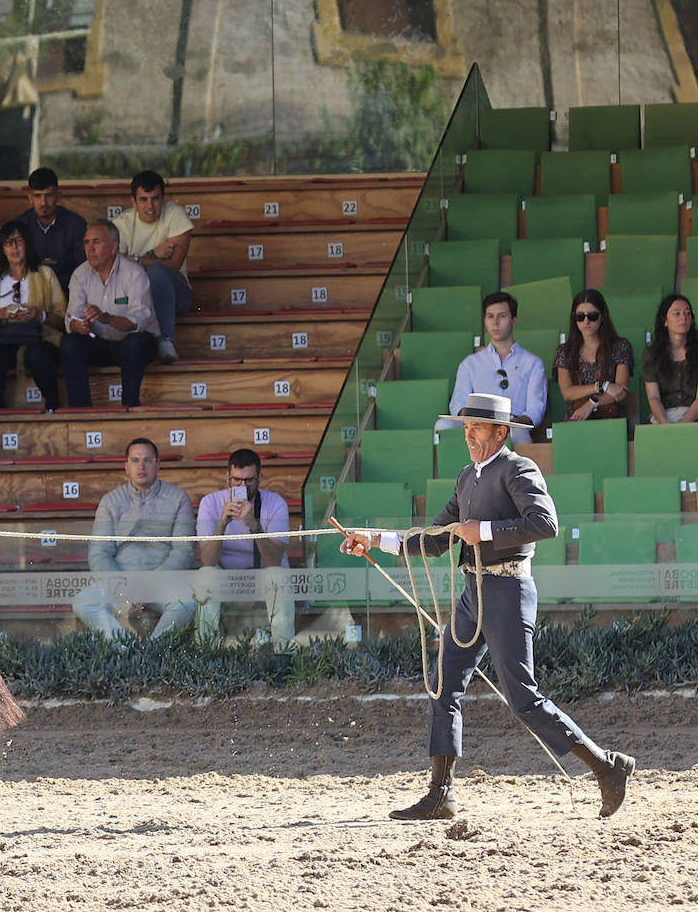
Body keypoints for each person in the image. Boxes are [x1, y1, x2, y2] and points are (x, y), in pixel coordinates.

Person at [338, 392, 635, 820]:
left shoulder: (519, 468)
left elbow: (546, 523)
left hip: (508, 592)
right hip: (473, 594)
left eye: (475, 428)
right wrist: (374, 539)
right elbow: (435, 538)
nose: (468, 435)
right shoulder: (466, 477)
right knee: (443, 686)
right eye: (465, 428)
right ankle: (441, 794)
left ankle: (606, 767)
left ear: (500, 432)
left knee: (524, 699)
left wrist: (487, 531)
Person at [73, 438, 197, 640]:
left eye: (147, 460)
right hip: (119, 583)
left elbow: (184, 551)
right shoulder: (110, 501)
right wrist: (123, 586)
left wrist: (149, 585)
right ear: (126, 466)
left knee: (187, 603)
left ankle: (153, 651)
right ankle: (125, 649)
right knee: (84, 602)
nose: (141, 466)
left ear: (158, 465)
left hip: (162, 583)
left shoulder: (178, 498)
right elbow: (99, 553)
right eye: (135, 460)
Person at [194, 449, 292, 646]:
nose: (242, 486)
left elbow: (274, 560)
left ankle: (283, 650)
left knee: (278, 576)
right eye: (237, 480)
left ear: (260, 478)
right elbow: (208, 560)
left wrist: (254, 525)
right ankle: (206, 651)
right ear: (227, 477)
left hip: (263, 572)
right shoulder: (210, 502)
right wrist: (222, 522)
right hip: (225, 576)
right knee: (206, 575)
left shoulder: (275, 503)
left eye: (249, 480)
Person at [61, 220, 160, 408]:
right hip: (100, 342)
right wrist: (79, 325)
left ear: (114, 247)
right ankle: (80, 411)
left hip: (132, 343)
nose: (90, 249)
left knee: (135, 343)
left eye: (96, 242)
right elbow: (71, 319)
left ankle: (129, 407)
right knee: (70, 342)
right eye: (86, 243)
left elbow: (138, 322)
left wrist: (106, 318)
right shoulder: (80, 274)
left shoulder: (134, 273)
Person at [0, 220, 65, 411]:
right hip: (2, 337)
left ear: (28, 243)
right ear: (2, 248)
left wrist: (39, 315)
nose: (14, 247)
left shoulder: (44, 274)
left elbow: (63, 319)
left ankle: (53, 407)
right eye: (8, 242)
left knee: (38, 355)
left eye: (19, 241)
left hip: (39, 337)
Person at [437, 292, 545, 445]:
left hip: (513, 424)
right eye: (490, 316)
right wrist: (477, 418)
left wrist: (514, 422)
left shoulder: (533, 363)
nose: (495, 322)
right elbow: (458, 404)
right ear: (485, 321)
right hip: (476, 422)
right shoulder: (470, 363)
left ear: (514, 321)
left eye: (502, 316)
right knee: (443, 425)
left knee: (519, 433)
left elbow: (535, 408)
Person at [112, 170, 193, 364]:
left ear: (163, 199)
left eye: (155, 199)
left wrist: (134, 259)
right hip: (136, 297)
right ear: (133, 201)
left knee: (158, 272)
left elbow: (173, 266)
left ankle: (165, 341)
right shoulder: (121, 224)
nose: (150, 206)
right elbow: (115, 266)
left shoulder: (175, 214)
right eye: (144, 199)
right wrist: (152, 254)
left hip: (176, 295)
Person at [553, 289, 632, 421]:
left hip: (610, 417)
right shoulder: (564, 351)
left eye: (592, 316)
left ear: (602, 316)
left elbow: (620, 390)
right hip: (577, 417)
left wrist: (592, 403)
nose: (586, 321)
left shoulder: (620, 347)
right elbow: (567, 392)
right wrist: (602, 386)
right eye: (580, 317)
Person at [13, 167, 86, 295]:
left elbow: (83, 270)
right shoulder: (20, 225)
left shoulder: (76, 224)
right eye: (37, 196)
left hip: (69, 291)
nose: (43, 203)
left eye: (49, 195)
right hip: (30, 292)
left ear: (58, 195)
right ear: (30, 198)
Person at [642, 293, 698, 424]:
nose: (684, 317)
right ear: (665, 321)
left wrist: (681, 426)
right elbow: (653, 397)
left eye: (688, 313)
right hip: (665, 416)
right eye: (677, 314)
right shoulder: (652, 354)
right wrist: (665, 424)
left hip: (694, 416)